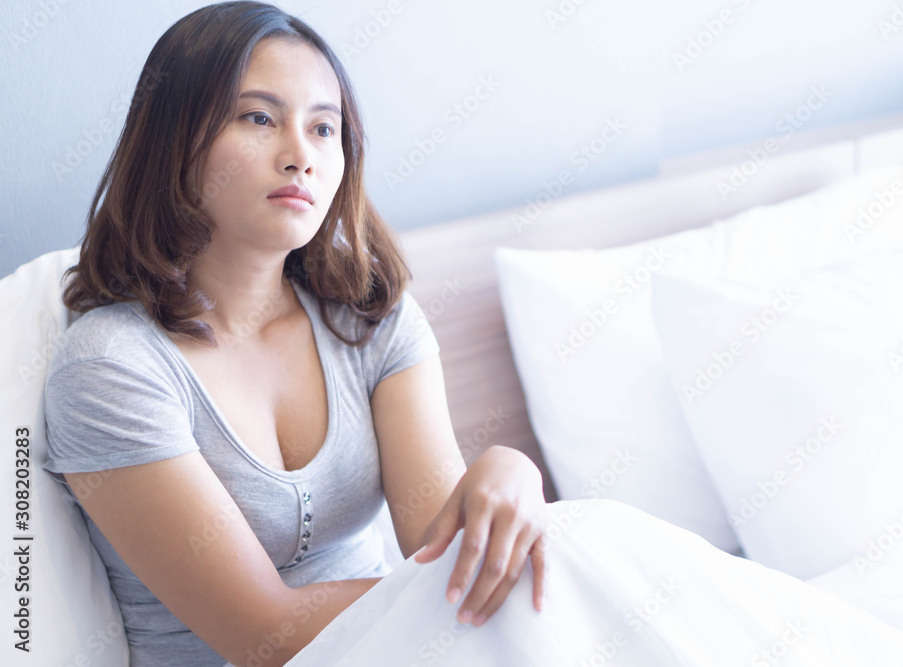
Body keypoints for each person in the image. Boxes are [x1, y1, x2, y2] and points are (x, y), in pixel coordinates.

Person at [42, 3, 547, 665]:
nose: (301, 156)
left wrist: (510, 469)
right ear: (174, 138)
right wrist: (447, 585)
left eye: (323, 128)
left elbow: (441, 548)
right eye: (259, 118)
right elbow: (263, 635)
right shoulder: (110, 368)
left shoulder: (370, 318)